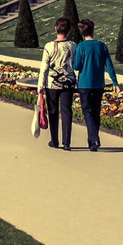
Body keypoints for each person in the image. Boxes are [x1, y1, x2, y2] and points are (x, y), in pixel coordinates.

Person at [73, 18, 119, 151]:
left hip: (84, 84)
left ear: (82, 32)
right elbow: (109, 66)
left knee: (87, 112)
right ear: (93, 30)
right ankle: (92, 141)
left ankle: (94, 138)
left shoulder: (80, 46)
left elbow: (76, 66)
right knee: (96, 112)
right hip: (99, 84)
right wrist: (115, 82)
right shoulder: (101, 45)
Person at [36, 17, 77, 150]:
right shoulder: (73, 45)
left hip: (51, 83)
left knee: (53, 111)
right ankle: (67, 142)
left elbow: (44, 67)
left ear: (55, 29)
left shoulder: (49, 46)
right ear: (69, 30)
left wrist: (40, 86)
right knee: (66, 111)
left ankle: (54, 140)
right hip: (68, 83)